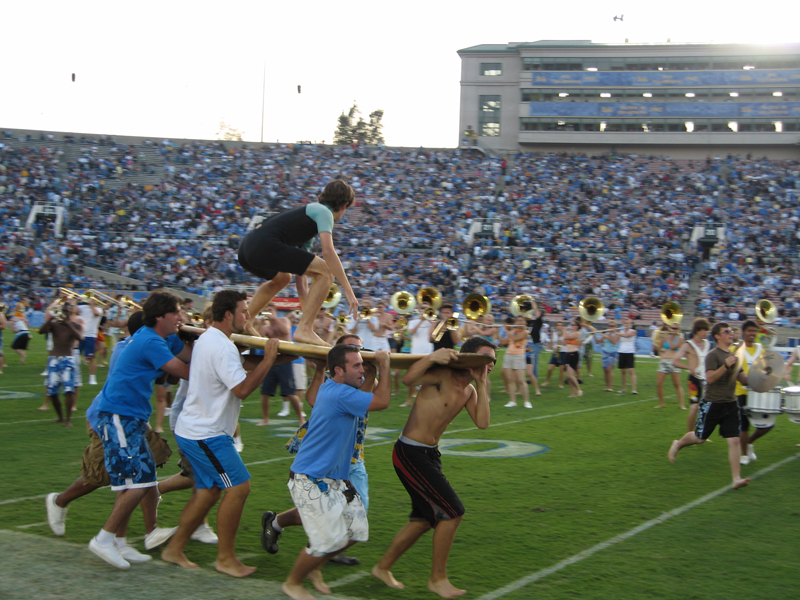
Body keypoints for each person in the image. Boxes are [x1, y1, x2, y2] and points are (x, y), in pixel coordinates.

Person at [45, 311, 198, 552]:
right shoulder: (128, 348)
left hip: (131, 416)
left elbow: (167, 379)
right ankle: (60, 502)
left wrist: (183, 344)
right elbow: (164, 377)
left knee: (141, 471)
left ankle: (146, 532)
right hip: (107, 417)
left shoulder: (145, 343)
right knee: (105, 476)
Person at [162, 290, 282, 577]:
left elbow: (241, 367)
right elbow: (241, 388)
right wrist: (268, 360)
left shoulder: (211, 338)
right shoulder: (221, 346)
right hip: (206, 433)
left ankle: (173, 549)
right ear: (228, 314)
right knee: (239, 488)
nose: (247, 316)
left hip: (197, 430)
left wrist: (279, 358)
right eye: (243, 311)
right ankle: (225, 559)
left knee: (208, 492)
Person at [372, 338, 495, 599]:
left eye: (493, 359)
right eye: (485, 358)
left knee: (423, 520)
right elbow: (408, 380)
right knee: (453, 512)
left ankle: (382, 568)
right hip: (409, 452)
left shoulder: (470, 390)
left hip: (430, 455)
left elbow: (483, 422)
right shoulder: (442, 374)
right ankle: (437, 579)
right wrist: (431, 357)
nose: (490, 363)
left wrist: (482, 383)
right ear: (469, 357)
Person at [87, 292, 191, 570]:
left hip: (128, 416)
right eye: (177, 313)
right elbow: (186, 370)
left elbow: (188, 353)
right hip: (119, 416)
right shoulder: (150, 341)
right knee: (140, 481)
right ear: (161, 317)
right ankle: (104, 538)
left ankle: (119, 542)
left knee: (131, 481)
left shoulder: (157, 336)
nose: (181, 317)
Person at [281, 344, 392, 600]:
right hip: (311, 478)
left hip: (335, 479)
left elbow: (367, 394)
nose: (362, 370)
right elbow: (382, 401)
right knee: (327, 540)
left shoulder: (336, 389)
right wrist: (384, 366)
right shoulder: (340, 394)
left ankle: (313, 565)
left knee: (356, 531)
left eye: (363, 364)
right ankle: (293, 582)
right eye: (357, 366)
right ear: (339, 370)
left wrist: (372, 370)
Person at [260, 333, 380, 569]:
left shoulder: (358, 377)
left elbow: (365, 397)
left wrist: (372, 370)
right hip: (330, 452)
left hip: (352, 452)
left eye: (361, 349)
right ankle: (320, 550)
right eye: (354, 350)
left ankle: (285, 526)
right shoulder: (333, 381)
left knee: (354, 510)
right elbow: (313, 399)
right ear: (339, 362)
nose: (360, 355)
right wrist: (318, 369)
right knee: (330, 510)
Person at [237, 179, 358, 346]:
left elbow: (301, 273)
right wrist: (349, 291)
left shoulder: (306, 222)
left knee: (283, 278)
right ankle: (305, 329)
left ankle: (245, 322)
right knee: (326, 271)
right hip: (263, 245)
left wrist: (307, 309)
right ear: (344, 205)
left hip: (247, 249)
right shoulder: (324, 212)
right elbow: (328, 252)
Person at [668, 322, 751, 490]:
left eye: (730, 331)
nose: (730, 333)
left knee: (734, 440)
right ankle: (677, 444)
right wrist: (726, 365)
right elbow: (711, 378)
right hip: (712, 403)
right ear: (718, 336)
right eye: (726, 332)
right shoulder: (713, 355)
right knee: (700, 438)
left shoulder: (735, 356)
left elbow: (744, 380)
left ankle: (736, 478)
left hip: (730, 403)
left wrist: (763, 376)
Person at [257, 304, 304, 426]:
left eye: (270, 310)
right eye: (266, 310)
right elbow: (259, 338)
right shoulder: (266, 327)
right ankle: (265, 419)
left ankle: (301, 419)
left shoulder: (284, 320)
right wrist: (260, 323)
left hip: (285, 360)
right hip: (272, 360)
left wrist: (274, 318)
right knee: (265, 392)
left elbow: (285, 330)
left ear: (275, 311)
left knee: (290, 392)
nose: (268, 312)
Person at [39, 300, 83, 426]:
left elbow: (79, 338)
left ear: (71, 313)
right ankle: (60, 417)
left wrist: (68, 324)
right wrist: (50, 318)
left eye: (67, 312)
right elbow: (41, 331)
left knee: (69, 390)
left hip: (68, 359)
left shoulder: (76, 325)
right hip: (54, 359)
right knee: (52, 391)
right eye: (63, 311)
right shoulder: (54, 325)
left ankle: (68, 419)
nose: (64, 313)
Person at [736, 320, 771, 466]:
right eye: (749, 331)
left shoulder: (760, 349)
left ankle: (749, 442)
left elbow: (765, 368)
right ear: (744, 332)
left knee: (768, 423)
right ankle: (744, 454)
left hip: (757, 392)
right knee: (744, 426)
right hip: (741, 392)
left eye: (754, 331)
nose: (752, 333)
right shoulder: (737, 348)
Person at [671, 318, 710, 433]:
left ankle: (701, 434)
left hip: (707, 380)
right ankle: (689, 434)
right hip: (694, 380)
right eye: (705, 330)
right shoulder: (688, 345)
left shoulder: (707, 344)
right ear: (698, 330)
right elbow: (675, 361)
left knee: (705, 409)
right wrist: (689, 367)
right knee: (694, 407)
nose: (706, 333)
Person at [503, 315, 533, 407]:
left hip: (519, 356)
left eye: (521, 320)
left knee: (521, 380)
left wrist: (507, 330)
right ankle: (513, 401)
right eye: (517, 321)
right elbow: (506, 342)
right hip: (509, 355)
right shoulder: (512, 331)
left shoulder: (525, 332)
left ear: (525, 322)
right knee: (510, 380)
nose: (519, 322)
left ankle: (527, 401)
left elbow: (515, 338)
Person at [654, 323, 686, 410]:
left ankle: (682, 405)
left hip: (673, 362)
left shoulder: (680, 338)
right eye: (672, 328)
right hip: (664, 362)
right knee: (659, 384)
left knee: (677, 384)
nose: (673, 330)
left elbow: (672, 346)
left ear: (678, 329)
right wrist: (661, 339)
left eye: (675, 328)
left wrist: (668, 338)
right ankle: (661, 403)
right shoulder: (666, 337)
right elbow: (659, 349)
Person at [77, 296, 104, 385]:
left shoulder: (99, 309)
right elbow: (74, 310)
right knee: (75, 356)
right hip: (80, 335)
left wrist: (92, 305)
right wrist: (75, 300)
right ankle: (76, 376)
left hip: (90, 336)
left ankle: (92, 378)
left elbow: (96, 313)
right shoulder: (82, 307)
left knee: (91, 358)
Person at [616, 317, 638, 394]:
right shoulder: (621, 331)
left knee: (631, 371)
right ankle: (623, 388)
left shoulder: (633, 331)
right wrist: (613, 333)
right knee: (623, 371)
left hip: (630, 352)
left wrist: (618, 333)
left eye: (628, 323)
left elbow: (626, 335)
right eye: (625, 323)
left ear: (631, 324)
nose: (627, 325)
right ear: (623, 324)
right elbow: (615, 341)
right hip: (621, 352)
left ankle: (634, 389)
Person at [563, 319, 583, 398]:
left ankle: (579, 390)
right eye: (572, 325)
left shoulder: (577, 333)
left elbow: (566, 337)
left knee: (570, 375)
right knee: (568, 376)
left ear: (577, 326)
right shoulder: (571, 334)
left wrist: (564, 331)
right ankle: (573, 393)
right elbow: (565, 341)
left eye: (573, 325)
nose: (572, 326)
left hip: (573, 354)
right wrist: (566, 333)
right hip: (568, 354)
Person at [596, 321, 619, 392]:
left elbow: (614, 341)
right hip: (605, 352)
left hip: (612, 353)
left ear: (615, 327)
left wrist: (604, 335)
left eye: (612, 326)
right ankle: (607, 386)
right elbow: (598, 341)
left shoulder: (617, 334)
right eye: (610, 326)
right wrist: (594, 334)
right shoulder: (606, 333)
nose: (611, 327)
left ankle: (610, 387)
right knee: (605, 370)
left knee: (609, 369)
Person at [544, 320, 565, 388]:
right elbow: (551, 344)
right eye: (558, 325)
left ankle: (560, 384)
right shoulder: (554, 333)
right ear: (556, 326)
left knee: (561, 369)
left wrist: (562, 342)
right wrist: (554, 349)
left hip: (563, 352)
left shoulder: (565, 333)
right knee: (550, 368)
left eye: (561, 325)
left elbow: (566, 343)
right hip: (556, 352)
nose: (559, 327)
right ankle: (547, 381)